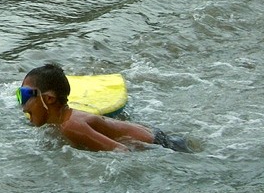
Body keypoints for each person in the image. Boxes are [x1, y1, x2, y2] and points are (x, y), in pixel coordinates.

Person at [18, 63, 191, 152]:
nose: (22, 106)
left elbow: (121, 150)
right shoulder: (66, 119)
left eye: (24, 96)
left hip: (159, 145)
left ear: (49, 99)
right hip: (154, 136)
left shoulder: (71, 126)